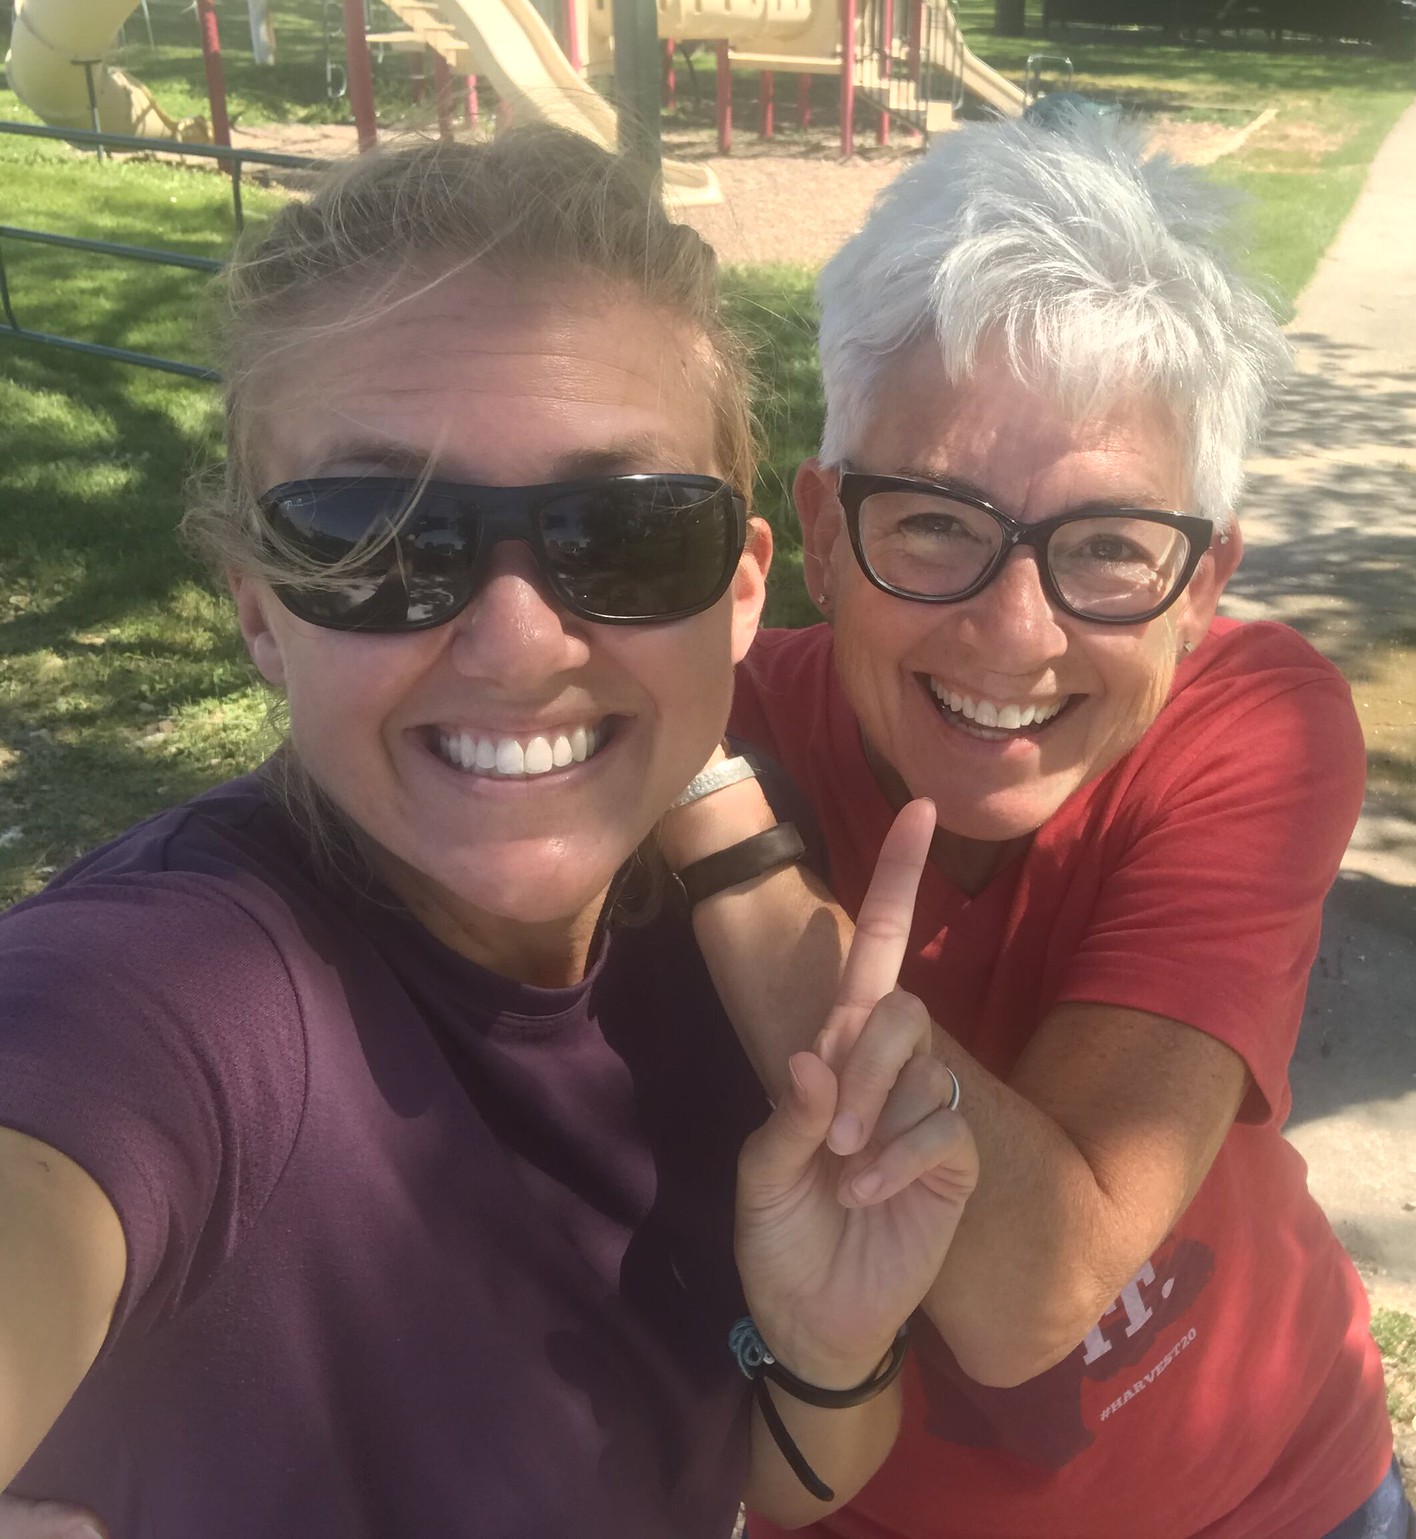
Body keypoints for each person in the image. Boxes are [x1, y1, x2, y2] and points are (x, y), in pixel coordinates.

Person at [0, 128, 975, 1539]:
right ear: (261, 612)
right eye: (382, 538)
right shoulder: (173, 991)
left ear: (742, 591)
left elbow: (779, 1477)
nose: (517, 644)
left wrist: (826, 1344)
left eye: (625, 535)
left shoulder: (714, 953)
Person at [659, 111, 1413, 1539]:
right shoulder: (700, 711)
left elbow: (1033, 1295)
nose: (1016, 635)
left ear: (1202, 589)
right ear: (821, 532)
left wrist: (725, 839)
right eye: (935, 523)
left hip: (1275, 1498)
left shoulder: (1255, 719)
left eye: (1112, 548)